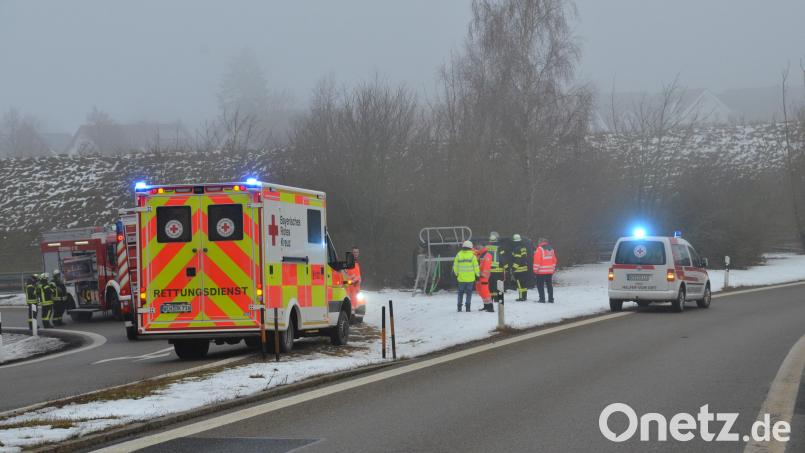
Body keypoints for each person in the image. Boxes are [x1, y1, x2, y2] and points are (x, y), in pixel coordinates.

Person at [453, 240, 479, 312]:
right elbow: (476, 266)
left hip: (461, 279)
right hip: (470, 279)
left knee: (460, 293)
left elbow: (455, 266)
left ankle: (459, 307)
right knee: (469, 293)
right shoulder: (472, 256)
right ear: (470, 247)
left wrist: (456, 274)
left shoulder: (458, 255)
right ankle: (468, 307)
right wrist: (478, 275)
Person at [485, 231, 509, 301]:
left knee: (491, 286)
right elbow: (503, 258)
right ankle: (499, 299)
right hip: (499, 270)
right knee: (499, 286)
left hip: (489, 270)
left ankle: (491, 298)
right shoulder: (500, 248)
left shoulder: (486, 248)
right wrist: (506, 268)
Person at [533, 238, 557, 303]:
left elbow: (537, 260)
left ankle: (542, 299)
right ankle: (551, 299)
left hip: (541, 271)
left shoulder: (539, 249)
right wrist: (553, 268)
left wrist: (535, 270)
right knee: (549, 285)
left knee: (540, 285)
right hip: (549, 271)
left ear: (540, 242)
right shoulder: (551, 249)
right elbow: (554, 260)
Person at [475, 244, 494, 312]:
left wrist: (483, 274)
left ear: (483, 247)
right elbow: (471, 250)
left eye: (479, 247)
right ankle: (486, 306)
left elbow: (487, 266)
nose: (478, 248)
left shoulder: (487, 255)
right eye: (477, 247)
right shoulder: (479, 254)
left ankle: (490, 307)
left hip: (483, 276)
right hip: (479, 276)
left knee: (485, 291)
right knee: (480, 291)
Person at [511, 234, 530, 301]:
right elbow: (524, 258)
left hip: (518, 270)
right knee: (524, 284)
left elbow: (517, 260)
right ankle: (524, 297)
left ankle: (521, 297)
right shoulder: (523, 247)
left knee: (519, 285)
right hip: (524, 268)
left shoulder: (516, 248)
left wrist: (513, 268)